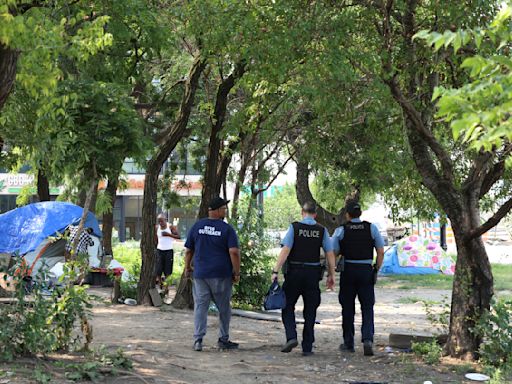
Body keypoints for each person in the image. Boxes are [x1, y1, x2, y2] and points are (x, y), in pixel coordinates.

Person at [271, 201, 336, 356]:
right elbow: (330, 253)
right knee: (310, 310)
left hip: (294, 272)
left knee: (287, 306)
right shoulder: (322, 230)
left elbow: (285, 250)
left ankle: (291, 337)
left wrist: (275, 270)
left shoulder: (294, 228)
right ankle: (307, 346)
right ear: (315, 214)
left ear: (302, 212)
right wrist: (331, 274)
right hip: (312, 274)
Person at [184, 196, 241, 352]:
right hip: (221, 274)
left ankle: (198, 340)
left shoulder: (197, 226)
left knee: (200, 307)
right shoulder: (226, 229)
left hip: (201, 275)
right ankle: (223, 339)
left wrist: (187, 267)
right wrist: (236, 272)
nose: (225, 211)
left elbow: (189, 250)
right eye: (223, 208)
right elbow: (234, 252)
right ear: (216, 211)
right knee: (224, 309)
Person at [331, 201, 385, 356]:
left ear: (347, 215)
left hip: (348, 271)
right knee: (367, 307)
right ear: (360, 213)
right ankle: (367, 339)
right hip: (366, 271)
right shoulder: (371, 228)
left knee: (347, 308)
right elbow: (381, 251)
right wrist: (376, 269)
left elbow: (333, 252)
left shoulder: (341, 230)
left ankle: (349, 343)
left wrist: (332, 269)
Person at [155, 213, 180, 289]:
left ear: (165, 220)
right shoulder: (157, 228)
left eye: (162, 221)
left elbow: (178, 236)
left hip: (168, 250)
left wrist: (168, 235)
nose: (160, 223)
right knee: (158, 270)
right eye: (159, 221)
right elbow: (155, 238)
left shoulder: (170, 227)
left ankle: (166, 287)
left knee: (168, 271)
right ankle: (160, 285)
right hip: (159, 250)